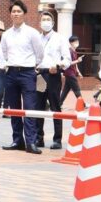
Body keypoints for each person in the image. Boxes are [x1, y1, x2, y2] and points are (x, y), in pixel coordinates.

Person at [0, 0, 44, 154]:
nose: (16, 14)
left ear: (24, 13)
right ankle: (17, 140)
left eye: (19, 11)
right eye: (13, 11)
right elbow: (4, 53)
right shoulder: (6, 34)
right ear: (10, 14)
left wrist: (32, 65)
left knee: (29, 108)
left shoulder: (32, 33)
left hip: (27, 73)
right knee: (14, 108)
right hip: (11, 73)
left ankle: (31, 142)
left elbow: (40, 54)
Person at [35, 10, 71, 150]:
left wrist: (59, 66)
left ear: (53, 23)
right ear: (39, 23)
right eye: (43, 20)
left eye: (48, 20)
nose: (45, 22)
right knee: (39, 107)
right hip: (39, 74)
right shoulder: (37, 38)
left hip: (53, 74)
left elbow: (67, 59)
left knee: (55, 106)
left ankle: (57, 139)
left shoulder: (60, 38)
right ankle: (39, 138)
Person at [59, 35, 84, 108]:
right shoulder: (69, 51)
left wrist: (78, 72)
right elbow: (68, 63)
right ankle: (82, 104)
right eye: (75, 41)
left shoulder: (74, 51)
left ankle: (59, 103)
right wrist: (78, 60)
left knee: (65, 90)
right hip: (69, 73)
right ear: (71, 43)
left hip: (71, 72)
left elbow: (75, 64)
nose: (77, 42)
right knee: (77, 89)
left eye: (77, 41)